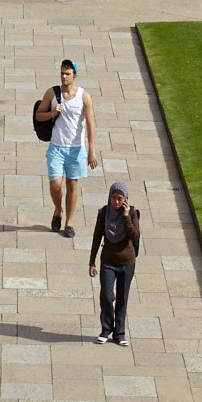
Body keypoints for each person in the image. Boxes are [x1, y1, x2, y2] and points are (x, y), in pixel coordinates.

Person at [33, 59, 98, 237]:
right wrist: (53, 113)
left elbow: (91, 125)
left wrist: (91, 151)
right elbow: (38, 116)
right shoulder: (52, 93)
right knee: (55, 184)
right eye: (62, 73)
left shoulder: (84, 97)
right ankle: (57, 210)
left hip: (76, 149)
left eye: (67, 73)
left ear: (74, 76)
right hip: (56, 147)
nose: (64, 76)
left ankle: (69, 223)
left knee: (72, 185)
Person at [87, 180, 142, 346]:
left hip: (127, 262)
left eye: (120, 198)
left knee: (122, 299)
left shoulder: (132, 213)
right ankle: (106, 329)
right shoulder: (104, 213)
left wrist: (126, 217)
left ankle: (119, 333)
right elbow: (97, 237)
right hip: (108, 261)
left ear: (125, 199)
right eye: (113, 198)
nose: (116, 202)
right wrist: (92, 262)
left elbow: (135, 236)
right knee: (106, 295)